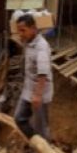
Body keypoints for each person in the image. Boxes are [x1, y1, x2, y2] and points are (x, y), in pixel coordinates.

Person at [13, 13, 53, 141]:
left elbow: (43, 72)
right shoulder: (28, 41)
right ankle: (36, 143)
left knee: (41, 127)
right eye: (19, 30)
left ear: (33, 29)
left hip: (39, 91)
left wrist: (38, 95)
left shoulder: (41, 46)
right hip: (28, 90)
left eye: (23, 30)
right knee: (19, 118)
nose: (20, 34)